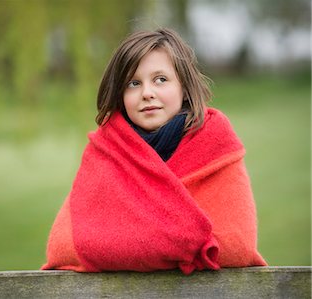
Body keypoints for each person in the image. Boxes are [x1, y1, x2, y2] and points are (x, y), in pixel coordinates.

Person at [41, 28, 267, 274]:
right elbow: (63, 245)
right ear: (120, 93)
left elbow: (236, 246)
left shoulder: (216, 143)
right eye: (133, 83)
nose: (147, 93)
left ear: (184, 86)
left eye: (161, 79)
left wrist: (118, 241)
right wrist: (194, 244)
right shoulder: (105, 149)